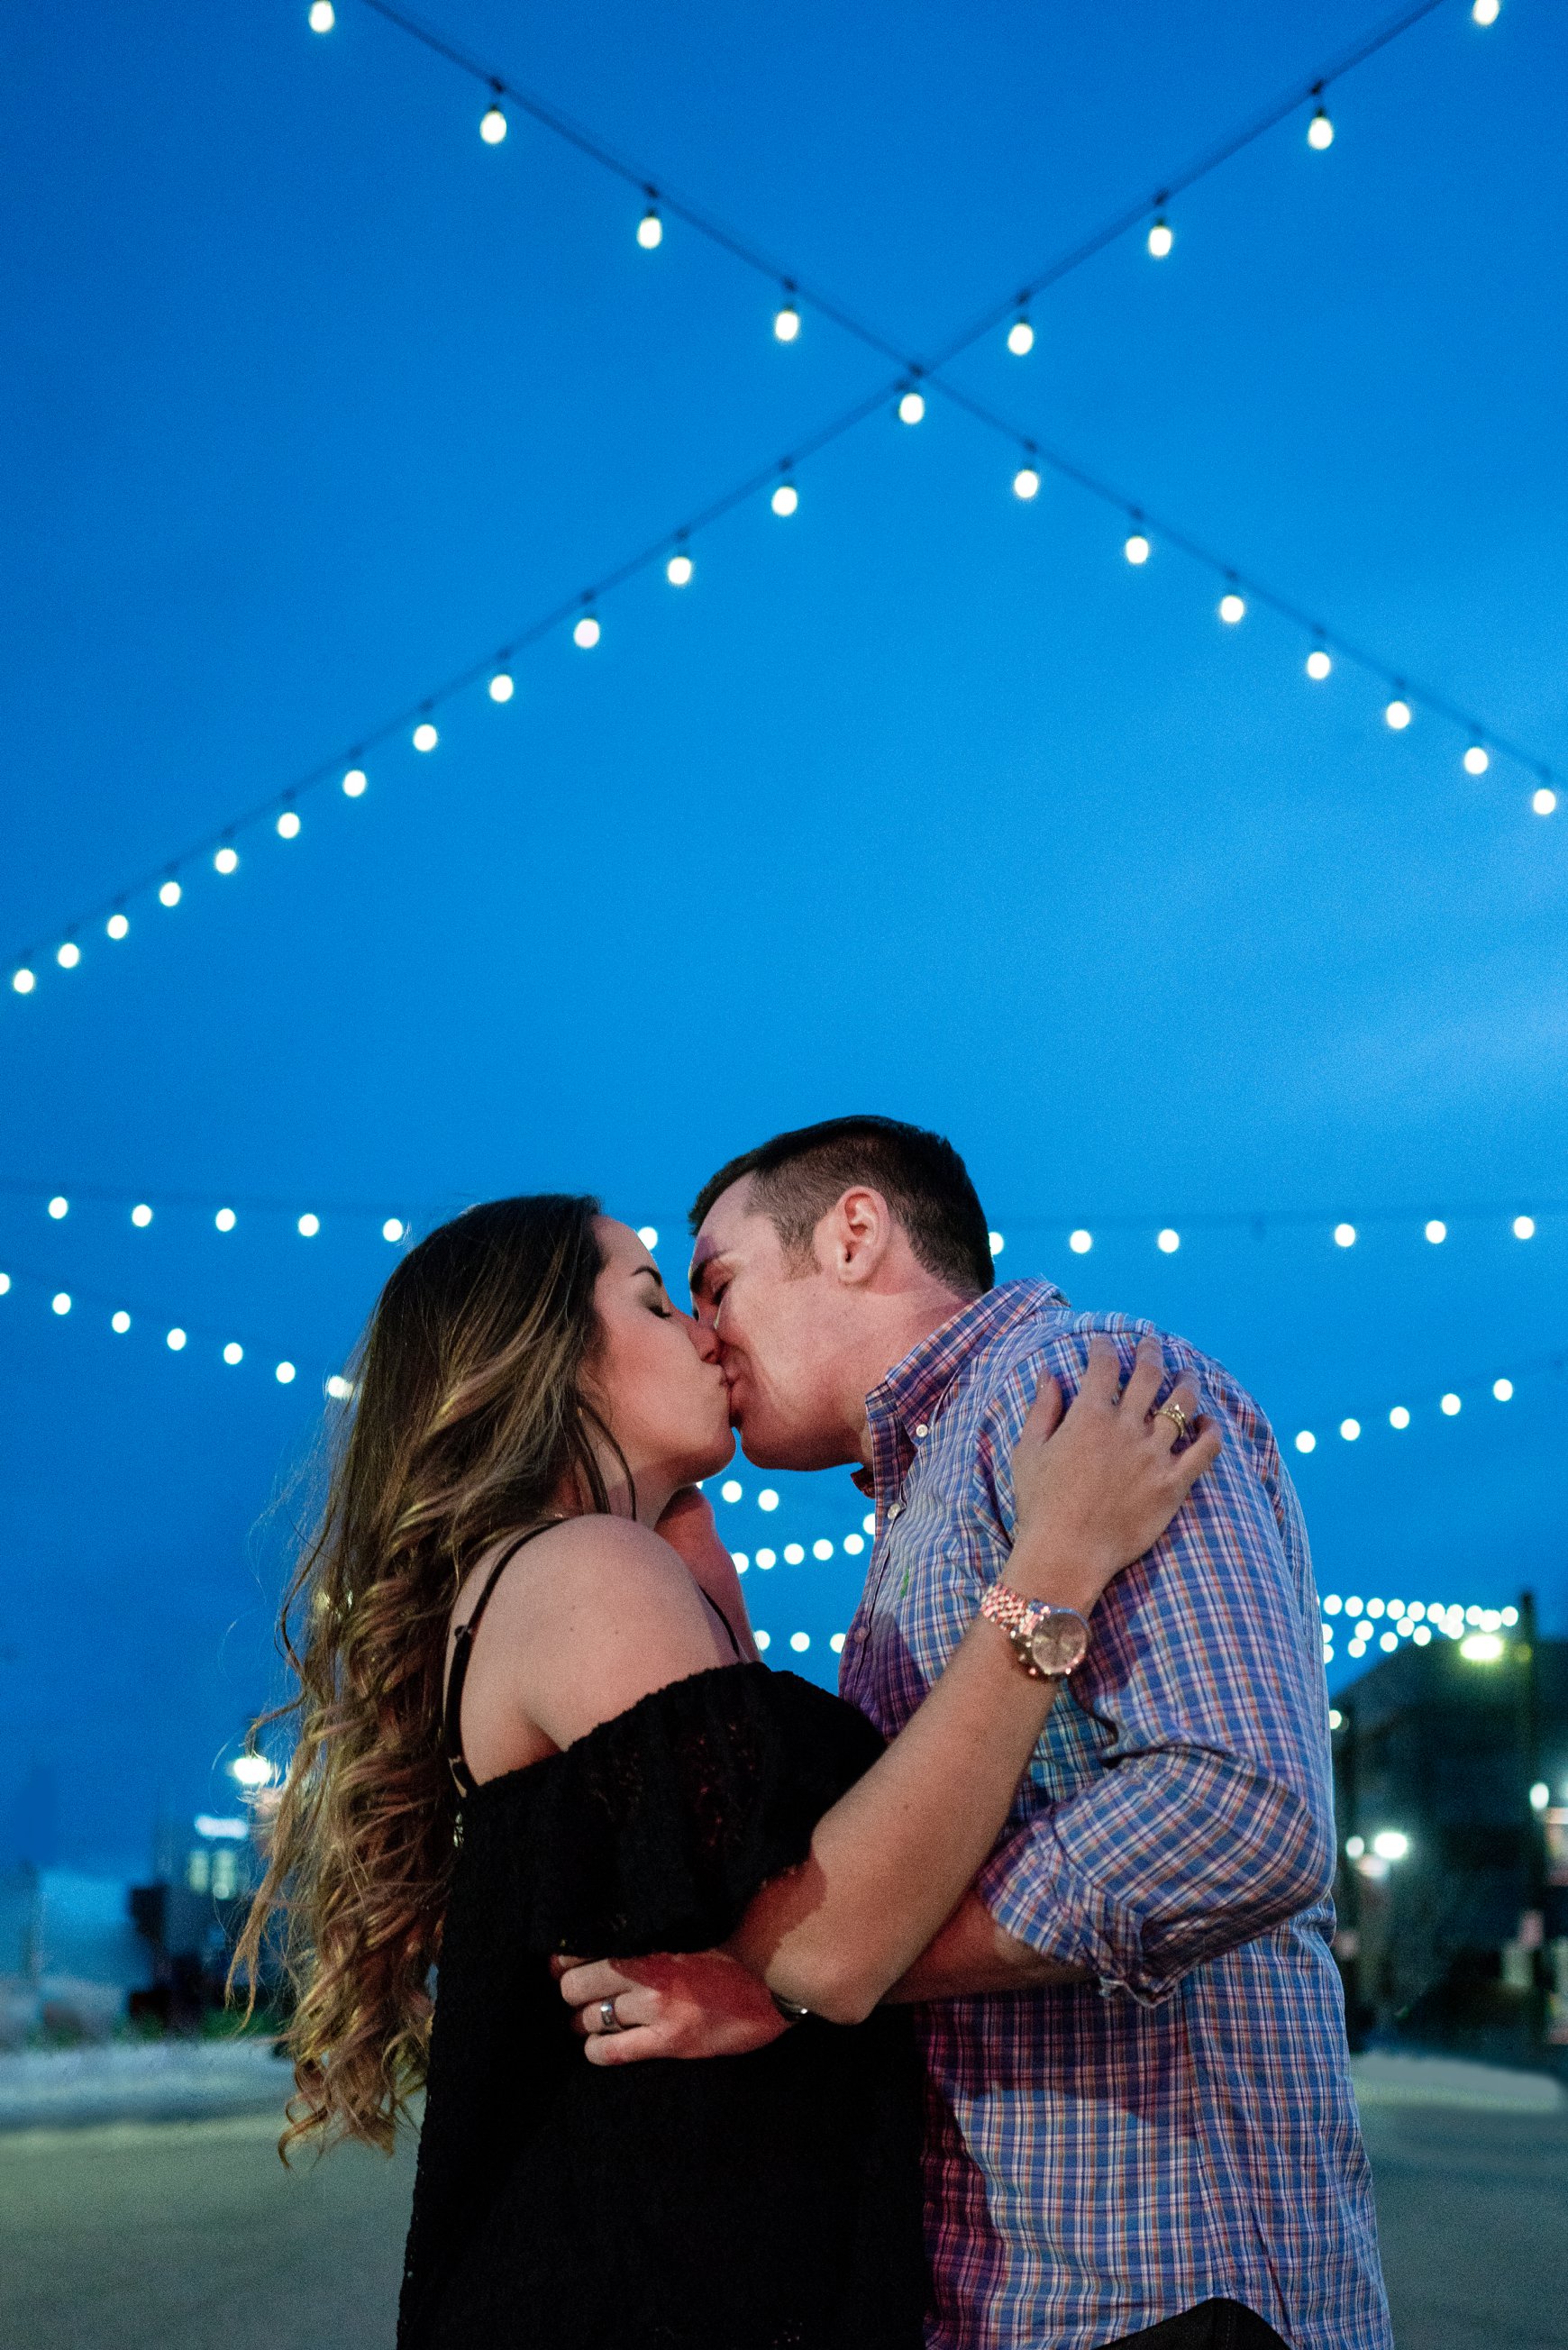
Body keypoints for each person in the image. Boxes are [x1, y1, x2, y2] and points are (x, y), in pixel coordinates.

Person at [234, 1191, 1219, 2350]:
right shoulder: (583, 1570)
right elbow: (825, 1943)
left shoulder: (589, 1573)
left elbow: (742, 1878)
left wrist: (688, 1540)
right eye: (656, 1300)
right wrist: (1061, 1554)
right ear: (547, 1359)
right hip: (650, 2291)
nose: (707, 1333)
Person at [559, 1116, 1394, 2350]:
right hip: (1020, 2292)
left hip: (1164, 2289)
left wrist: (825, 1967)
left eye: (717, 1283)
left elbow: (1239, 1808)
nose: (703, 1333)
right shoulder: (922, 1495)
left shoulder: (1081, 1385)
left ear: (854, 1233)